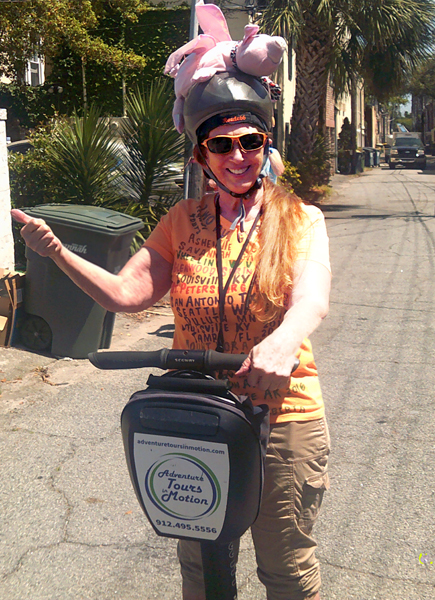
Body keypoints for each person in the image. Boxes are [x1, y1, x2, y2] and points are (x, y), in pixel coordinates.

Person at [11, 70, 331, 600]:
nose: (238, 155)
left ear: (264, 143)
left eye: (250, 141)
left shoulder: (301, 219)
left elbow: (312, 297)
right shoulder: (182, 220)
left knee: (286, 572)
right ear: (201, 156)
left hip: (284, 414)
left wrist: (281, 343)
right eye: (221, 144)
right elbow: (126, 294)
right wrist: (58, 253)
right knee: (202, 572)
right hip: (199, 413)